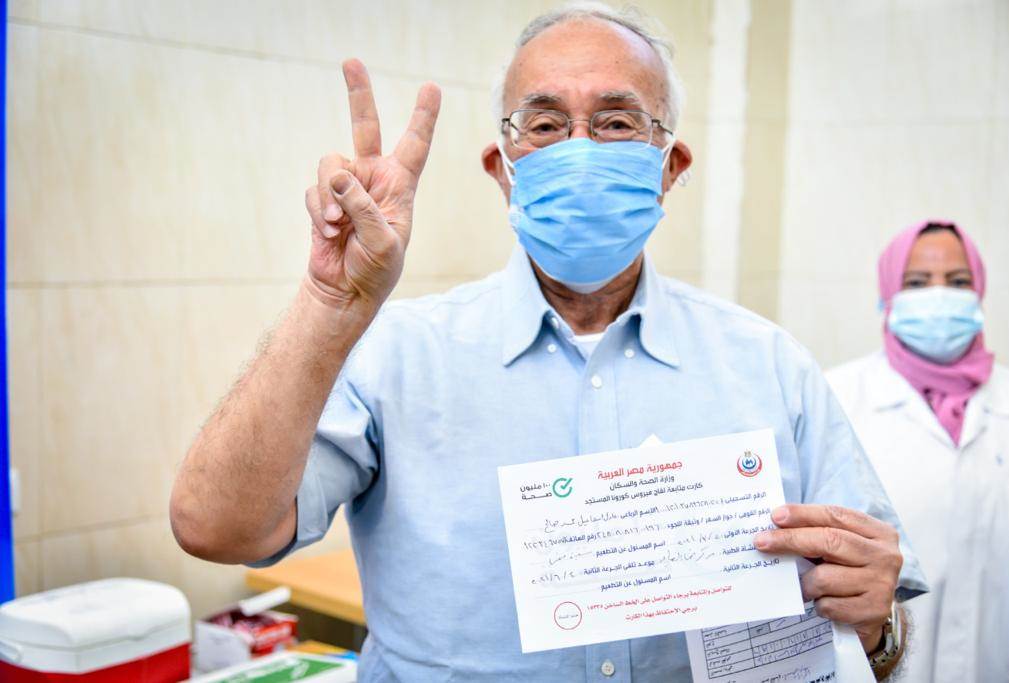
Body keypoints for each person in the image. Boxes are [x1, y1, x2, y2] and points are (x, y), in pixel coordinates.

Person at [170, 4, 926, 680]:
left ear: (671, 166)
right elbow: (214, 528)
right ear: (503, 169)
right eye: (544, 124)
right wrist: (329, 302)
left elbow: (875, 635)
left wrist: (879, 624)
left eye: (617, 122)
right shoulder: (395, 356)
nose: (580, 148)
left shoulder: (770, 365)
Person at [827, 221, 1009, 682]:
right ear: (888, 296)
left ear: (979, 293)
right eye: (917, 283)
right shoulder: (837, 398)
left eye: (957, 281)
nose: (939, 295)